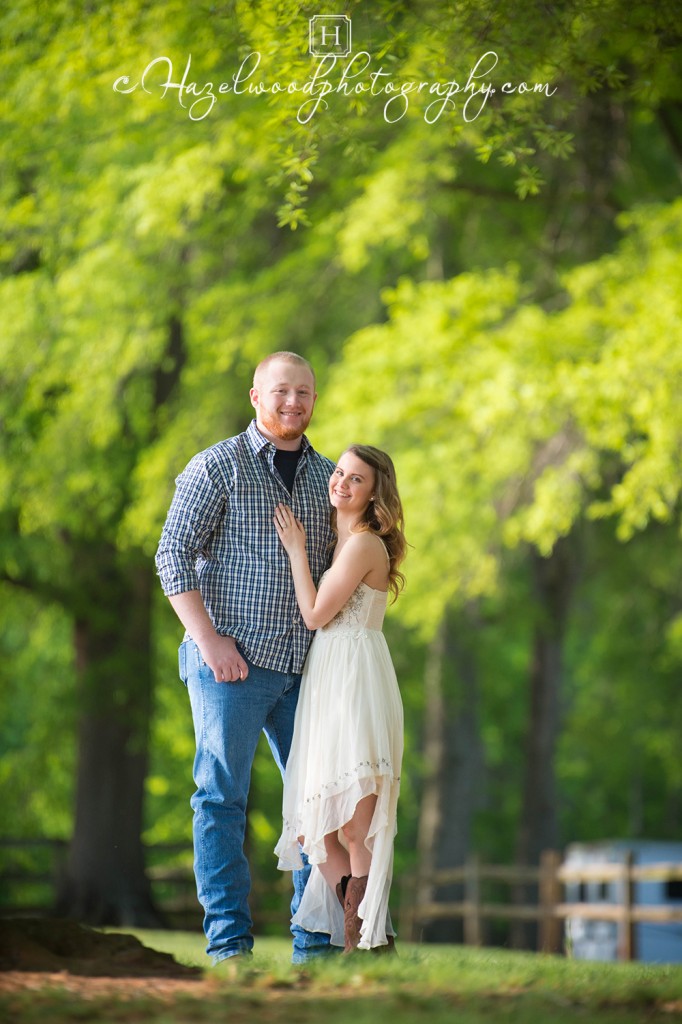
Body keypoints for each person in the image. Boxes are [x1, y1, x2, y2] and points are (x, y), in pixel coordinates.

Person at [155, 351, 336, 965]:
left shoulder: (329, 478)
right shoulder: (217, 467)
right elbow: (173, 556)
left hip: (305, 670)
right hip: (227, 668)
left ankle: (314, 947)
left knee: (319, 804)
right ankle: (230, 947)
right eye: (282, 391)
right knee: (220, 799)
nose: (294, 402)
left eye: (304, 393)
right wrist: (208, 642)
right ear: (256, 397)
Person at [273, 444, 407, 952]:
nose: (342, 484)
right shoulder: (342, 541)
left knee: (356, 827)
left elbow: (315, 614)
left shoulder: (363, 545)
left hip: (354, 681)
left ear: (374, 493)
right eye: (339, 473)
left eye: (357, 479)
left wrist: (294, 550)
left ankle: (364, 943)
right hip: (327, 679)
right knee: (316, 830)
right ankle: (366, 932)